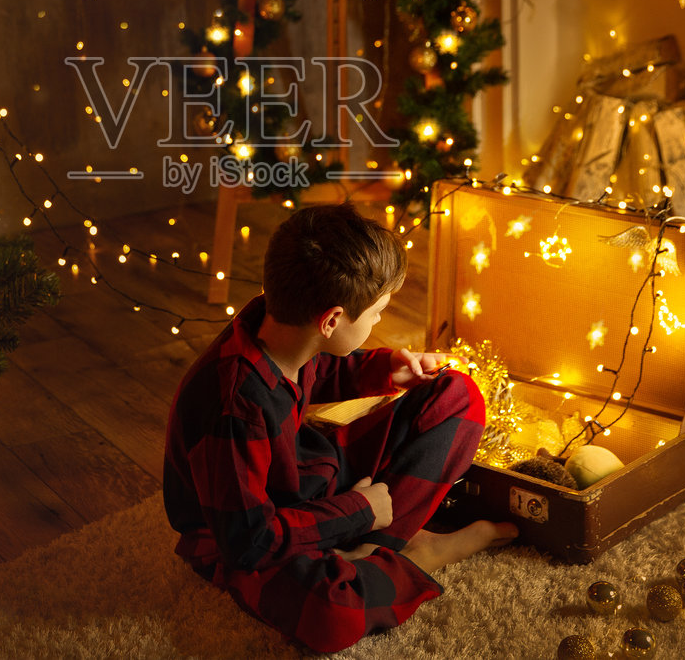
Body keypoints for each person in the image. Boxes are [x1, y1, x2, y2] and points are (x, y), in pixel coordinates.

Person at [163, 202, 516, 653]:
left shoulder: (275, 324)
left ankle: (375, 546)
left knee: (458, 396)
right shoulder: (235, 407)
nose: (378, 323)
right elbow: (248, 543)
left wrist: (387, 368)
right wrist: (361, 508)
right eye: (376, 314)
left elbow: (322, 368)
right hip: (241, 536)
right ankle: (400, 551)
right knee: (330, 613)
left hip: (305, 473)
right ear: (330, 320)